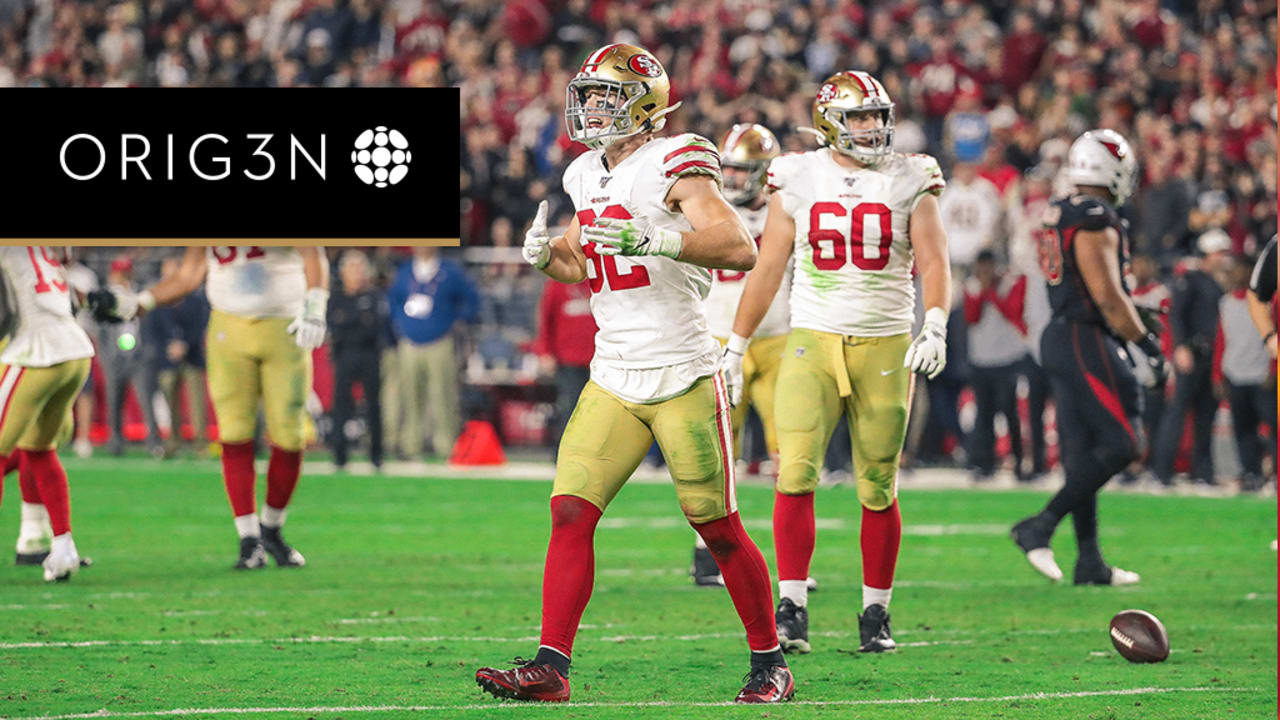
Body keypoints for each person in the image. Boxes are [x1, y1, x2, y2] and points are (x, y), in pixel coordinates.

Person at [475, 43, 793, 705]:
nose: (591, 107)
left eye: (605, 96)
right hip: (614, 373)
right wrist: (546, 257)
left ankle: (771, 665)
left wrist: (659, 238)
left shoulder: (675, 158)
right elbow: (582, 262)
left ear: (643, 103)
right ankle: (551, 667)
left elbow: (738, 245)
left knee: (716, 527)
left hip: (680, 371)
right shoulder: (583, 175)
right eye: (588, 95)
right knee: (568, 512)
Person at [722, 71, 952, 655]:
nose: (872, 127)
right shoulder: (798, 175)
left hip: (884, 343)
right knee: (794, 473)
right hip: (812, 339)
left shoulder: (911, 176)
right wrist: (736, 343)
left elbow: (933, 258)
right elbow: (769, 265)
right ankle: (792, 604)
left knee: (878, 484)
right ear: (830, 122)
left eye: (877, 116)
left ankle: (876, 611)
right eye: (859, 117)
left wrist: (937, 322)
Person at [90, 245, 329, 570]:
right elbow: (190, 274)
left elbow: (313, 253)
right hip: (228, 327)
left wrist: (315, 305)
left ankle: (271, 527)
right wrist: (141, 302)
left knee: (289, 436)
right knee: (234, 433)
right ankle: (248, 539)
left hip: (284, 324)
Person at [1010, 129, 1169, 586]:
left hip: (1061, 333)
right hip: (1084, 336)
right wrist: (1145, 342)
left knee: (1081, 453)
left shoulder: (1060, 210)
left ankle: (1089, 562)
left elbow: (1087, 285)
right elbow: (1104, 293)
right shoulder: (1095, 214)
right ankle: (1040, 525)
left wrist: (1128, 312)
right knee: (1124, 442)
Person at [691, 123, 789, 588]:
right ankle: (706, 555)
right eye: (727, 168)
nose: (731, 178)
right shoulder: (706, 209)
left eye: (741, 169)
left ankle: (789, 560)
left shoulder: (786, 209)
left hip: (776, 339)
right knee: (715, 453)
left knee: (789, 450)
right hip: (715, 339)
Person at [0, 247, 96, 581]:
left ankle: (40, 539)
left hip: (36, 349)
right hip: (76, 351)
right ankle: (62, 547)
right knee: (40, 450)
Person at [1151, 230, 1231, 485]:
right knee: (1177, 412)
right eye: (1220, 253)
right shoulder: (1191, 279)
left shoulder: (1217, 282)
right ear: (1207, 254)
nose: (1224, 258)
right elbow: (1176, 315)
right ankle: (1162, 472)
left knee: (1206, 413)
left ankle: (1203, 472)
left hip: (1211, 357)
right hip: (1192, 353)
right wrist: (1180, 348)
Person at [386, 246, 478, 459]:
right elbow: (393, 301)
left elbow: (471, 299)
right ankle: (410, 444)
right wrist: (399, 323)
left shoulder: (450, 271)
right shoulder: (405, 270)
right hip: (409, 342)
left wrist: (457, 322)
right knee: (409, 396)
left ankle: (446, 445)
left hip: (440, 341)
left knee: (443, 395)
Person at [1213, 255, 1276, 491]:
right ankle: (1251, 473)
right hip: (1236, 374)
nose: (1235, 275)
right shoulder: (1226, 302)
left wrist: (1273, 369)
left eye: (1240, 270)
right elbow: (1221, 341)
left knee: (1273, 426)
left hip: (1262, 376)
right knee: (1243, 430)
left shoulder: (1266, 302)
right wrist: (1218, 375)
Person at [963, 250, 1027, 480]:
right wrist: (983, 290)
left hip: (1007, 358)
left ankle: (1020, 460)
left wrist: (990, 290)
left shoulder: (1008, 283)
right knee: (984, 413)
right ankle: (984, 463)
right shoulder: (971, 286)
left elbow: (1012, 311)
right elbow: (971, 316)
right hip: (981, 359)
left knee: (1010, 411)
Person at [327, 250, 386, 470]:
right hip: (345, 354)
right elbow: (336, 325)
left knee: (373, 406)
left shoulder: (373, 296)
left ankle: (376, 455)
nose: (356, 273)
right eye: (352, 268)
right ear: (343, 272)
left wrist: (350, 321)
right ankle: (339, 455)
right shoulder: (337, 297)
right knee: (341, 405)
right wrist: (357, 320)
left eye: (360, 268)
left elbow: (374, 326)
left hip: (369, 354)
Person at [530, 277, 596, 458]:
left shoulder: (599, 279)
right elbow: (545, 318)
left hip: (600, 359)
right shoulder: (558, 284)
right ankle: (565, 455)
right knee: (570, 409)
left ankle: (594, 456)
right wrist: (544, 352)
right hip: (568, 360)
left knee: (598, 411)